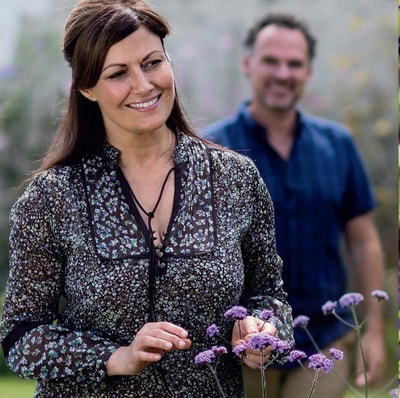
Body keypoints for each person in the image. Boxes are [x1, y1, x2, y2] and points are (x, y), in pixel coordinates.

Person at [0, 1, 293, 397]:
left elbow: (270, 296)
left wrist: (263, 328)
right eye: (118, 73)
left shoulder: (235, 179)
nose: (143, 85)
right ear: (87, 88)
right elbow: (19, 336)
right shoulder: (51, 197)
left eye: (152, 63)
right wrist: (114, 356)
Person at [202, 12, 386, 398]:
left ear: (307, 71)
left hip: (323, 342)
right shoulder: (211, 152)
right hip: (243, 352)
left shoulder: (338, 146)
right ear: (248, 64)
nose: (283, 73)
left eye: (294, 63)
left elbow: (364, 241)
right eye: (271, 60)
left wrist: (373, 329)